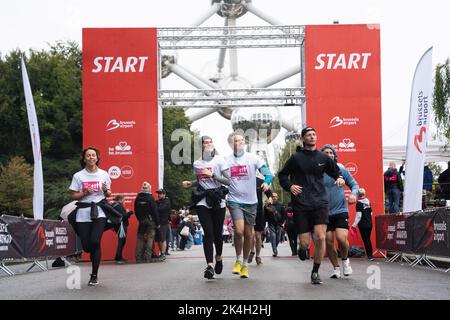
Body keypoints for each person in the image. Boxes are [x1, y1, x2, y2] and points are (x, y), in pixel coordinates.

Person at [278, 127, 345, 285]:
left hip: (320, 202)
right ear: (303, 139)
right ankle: (302, 249)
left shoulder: (323, 157)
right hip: (301, 203)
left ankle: (315, 271)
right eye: (308, 135)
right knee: (305, 243)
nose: (312, 137)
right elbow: (282, 175)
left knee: (321, 237)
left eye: (314, 134)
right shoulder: (296, 158)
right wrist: (290, 186)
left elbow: (336, 171)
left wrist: (340, 178)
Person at [182, 136, 230, 279]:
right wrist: (190, 183)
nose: (208, 144)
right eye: (205, 143)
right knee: (208, 232)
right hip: (203, 200)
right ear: (201, 146)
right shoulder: (197, 163)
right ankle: (209, 265)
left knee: (217, 234)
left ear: (213, 145)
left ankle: (219, 257)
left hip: (217, 200)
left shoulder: (220, 160)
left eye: (210, 142)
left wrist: (213, 175)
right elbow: (200, 180)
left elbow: (228, 180)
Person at [68, 147, 118, 286]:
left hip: (99, 212)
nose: (91, 157)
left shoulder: (104, 174)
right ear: (84, 159)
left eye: (93, 155)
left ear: (97, 158)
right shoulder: (78, 175)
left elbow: (108, 194)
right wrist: (84, 193)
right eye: (88, 155)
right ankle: (89, 251)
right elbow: (73, 195)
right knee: (87, 247)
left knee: (95, 242)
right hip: (83, 213)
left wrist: (105, 190)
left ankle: (94, 275)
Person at [226, 132, 273, 279]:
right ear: (231, 144)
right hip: (234, 200)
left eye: (241, 140)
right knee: (239, 231)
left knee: (249, 234)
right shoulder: (226, 160)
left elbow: (268, 173)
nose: (239, 143)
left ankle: (245, 264)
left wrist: (266, 181)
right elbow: (214, 172)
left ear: (244, 143)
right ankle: (238, 259)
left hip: (251, 202)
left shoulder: (253, 158)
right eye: (236, 141)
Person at [321, 144, 359, 279]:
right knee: (329, 241)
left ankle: (345, 261)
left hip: (340, 210)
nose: (329, 155)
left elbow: (354, 185)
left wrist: (354, 194)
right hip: (324, 212)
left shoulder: (341, 168)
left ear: (334, 155)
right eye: (326, 153)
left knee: (341, 238)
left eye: (331, 152)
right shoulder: (317, 172)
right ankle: (336, 268)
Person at [134, 182, 161, 263]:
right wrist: (158, 223)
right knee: (150, 238)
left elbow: (136, 210)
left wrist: (139, 219)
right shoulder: (150, 198)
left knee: (140, 238)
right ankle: (147, 257)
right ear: (149, 188)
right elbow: (155, 211)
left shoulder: (138, 198)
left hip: (141, 220)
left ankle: (138, 258)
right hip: (150, 220)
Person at [248, 176, 272, 265]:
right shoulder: (244, 180)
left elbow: (269, 192)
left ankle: (258, 256)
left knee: (258, 236)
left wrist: (269, 197)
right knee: (251, 234)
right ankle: (252, 251)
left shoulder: (260, 181)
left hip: (258, 211)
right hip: (248, 211)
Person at [351, 188, 374, 261]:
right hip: (369, 223)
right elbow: (371, 213)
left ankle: (370, 256)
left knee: (366, 240)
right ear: (364, 194)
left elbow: (359, 216)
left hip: (363, 224)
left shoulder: (359, 203)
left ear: (358, 195)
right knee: (368, 239)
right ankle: (370, 255)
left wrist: (353, 225)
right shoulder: (368, 201)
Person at [111, 195, 133, 264]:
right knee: (121, 241)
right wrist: (129, 213)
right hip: (121, 226)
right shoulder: (118, 206)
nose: (124, 201)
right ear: (120, 199)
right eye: (124, 199)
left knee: (122, 241)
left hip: (119, 225)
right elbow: (123, 216)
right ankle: (118, 257)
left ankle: (119, 256)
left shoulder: (115, 205)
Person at [264, 192, 284, 257]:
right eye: (273, 196)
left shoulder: (280, 204)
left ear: (277, 197)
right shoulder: (268, 205)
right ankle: (275, 251)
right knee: (273, 236)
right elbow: (265, 214)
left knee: (278, 238)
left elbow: (284, 214)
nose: (275, 198)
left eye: (276, 196)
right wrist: (266, 222)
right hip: (271, 223)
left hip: (279, 224)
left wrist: (282, 222)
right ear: (271, 197)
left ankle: (275, 247)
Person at [155, 189, 171, 259]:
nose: (159, 195)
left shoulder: (167, 201)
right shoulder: (157, 201)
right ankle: (161, 252)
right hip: (157, 222)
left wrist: (155, 207)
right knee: (158, 239)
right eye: (158, 193)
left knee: (162, 238)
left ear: (164, 194)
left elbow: (160, 209)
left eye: (160, 193)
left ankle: (163, 253)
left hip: (163, 222)